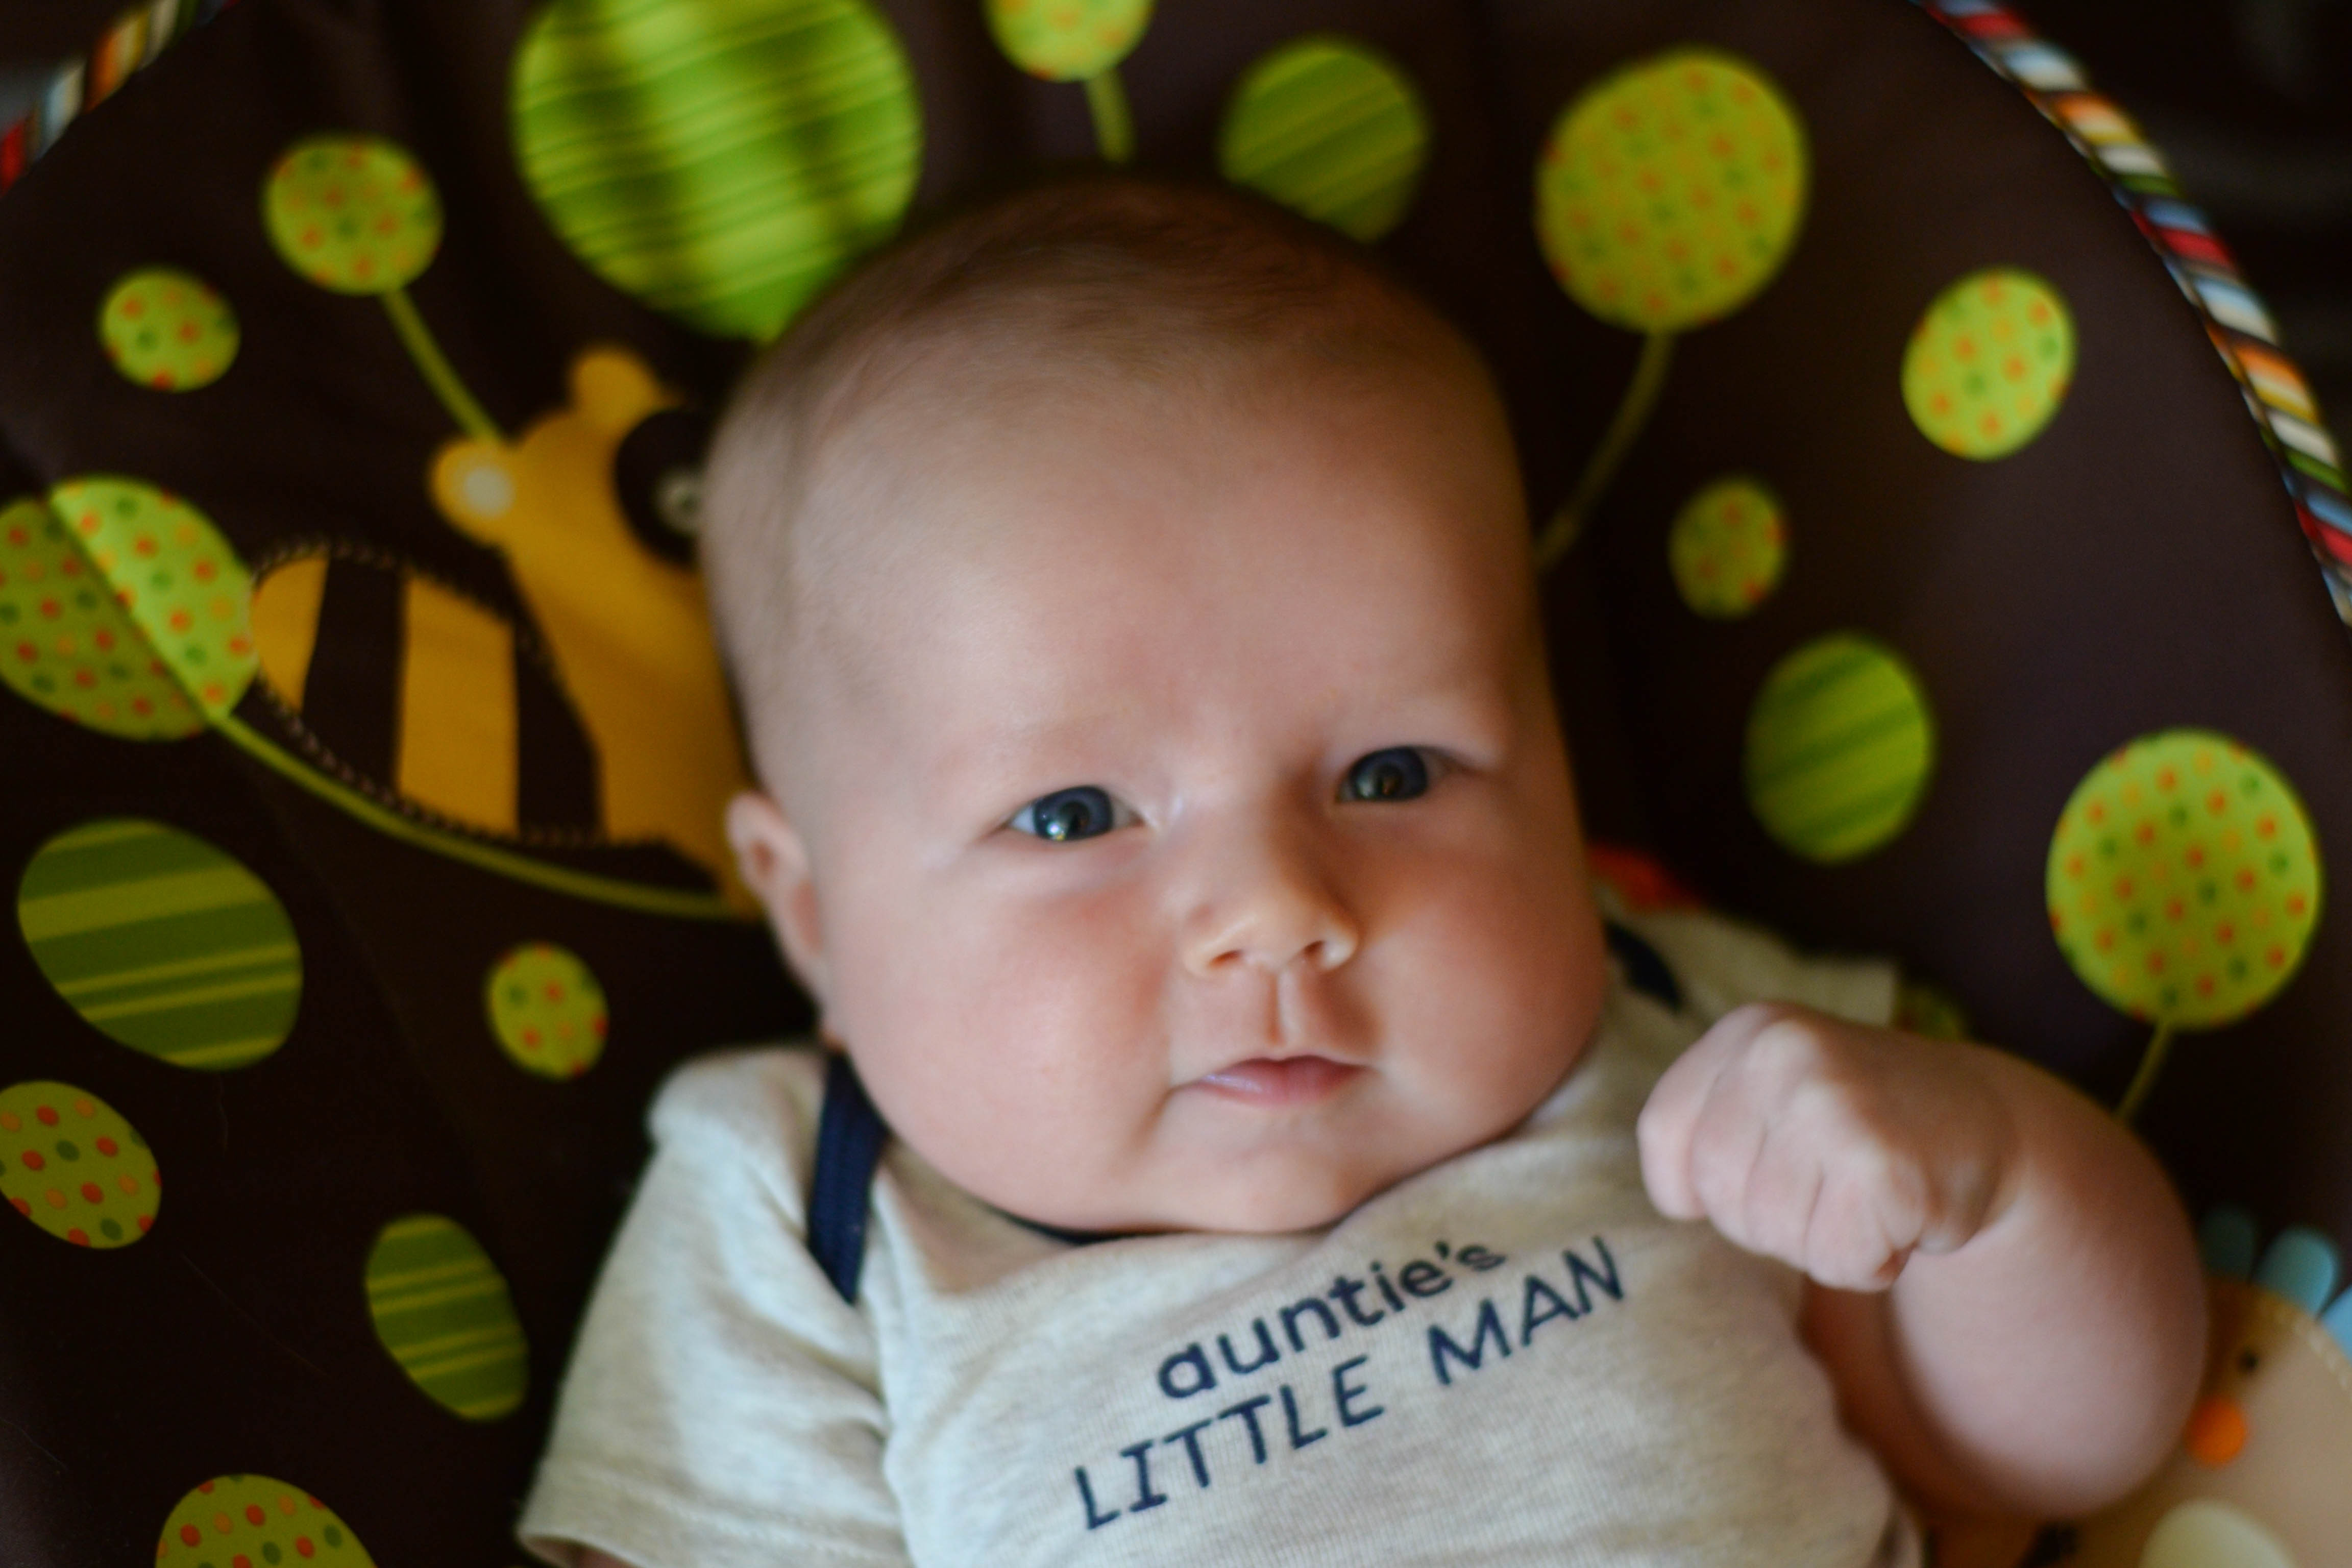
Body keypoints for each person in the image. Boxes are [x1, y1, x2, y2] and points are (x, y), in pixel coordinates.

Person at [517, 175, 2204, 1567]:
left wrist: (1994, 1176)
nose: (1275, 911)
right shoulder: (811, 1210)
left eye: (1392, 774)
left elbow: (2031, 1460)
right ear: (814, 911)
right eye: (1074, 815)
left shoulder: (1688, 1037)